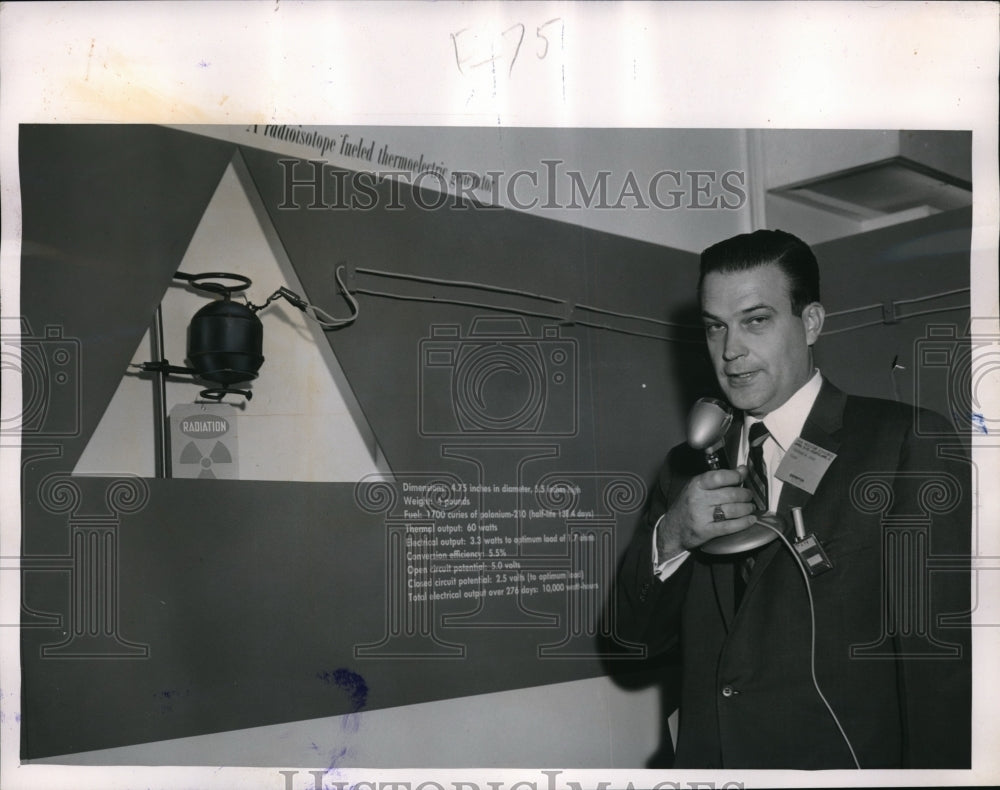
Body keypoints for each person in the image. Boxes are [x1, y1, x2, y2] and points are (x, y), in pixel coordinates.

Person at [615, 229, 971, 769]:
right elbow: (631, 641)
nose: (731, 351)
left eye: (756, 320)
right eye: (716, 327)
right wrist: (673, 536)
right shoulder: (683, 469)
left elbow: (939, 669)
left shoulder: (901, 442)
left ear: (810, 323)